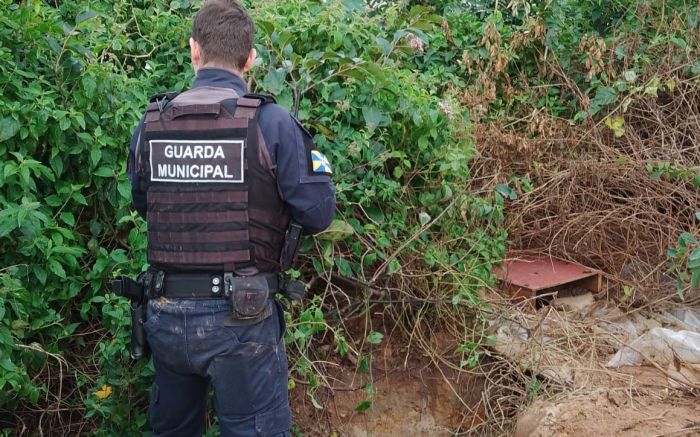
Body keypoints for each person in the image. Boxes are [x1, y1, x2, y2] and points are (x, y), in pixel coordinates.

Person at [126, 0, 336, 435]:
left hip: (164, 315)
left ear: (194, 51)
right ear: (251, 58)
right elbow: (318, 214)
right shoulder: (272, 123)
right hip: (241, 321)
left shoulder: (151, 125)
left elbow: (144, 206)